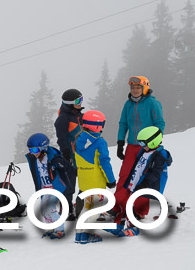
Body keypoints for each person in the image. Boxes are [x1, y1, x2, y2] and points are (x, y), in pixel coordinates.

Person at [108, 126, 172, 237]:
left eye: (143, 143)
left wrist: (145, 184)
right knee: (124, 202)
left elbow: (156, 173)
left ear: (152, 142)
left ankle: (133, 228)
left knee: (131, 205)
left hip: (143, 185)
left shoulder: (160, 155)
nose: (141, 146)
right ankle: (119, 226)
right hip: (133, 183)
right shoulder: (144, 151)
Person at [74, 110, 116, 244]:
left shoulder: (78, 139)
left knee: (87, 207)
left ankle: (79, 235)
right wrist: (111, 180)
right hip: (96, 182)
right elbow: (104, 163)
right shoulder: (100, 143)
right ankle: (86, 235)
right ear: (98, 125)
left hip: (84, 182)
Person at [116, 76, 165, 191]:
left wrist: (153, 142)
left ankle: (139, 207)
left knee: (142, 176)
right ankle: (118, 205)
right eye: (133, 87)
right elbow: (123, 124)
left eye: (138, 87)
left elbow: (160, 123)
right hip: (131, 146)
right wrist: (120, 143)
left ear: (145, 88)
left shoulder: (153, 103)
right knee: (125, 175)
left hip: (147, 147)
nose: (135, 90)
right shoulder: (128, 104)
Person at [24, 133, 75, 239]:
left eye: (34, 150)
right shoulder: (34, 160)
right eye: (30, 150)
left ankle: (60, 229)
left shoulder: (53, 158)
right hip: (44, 188)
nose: (32, 153)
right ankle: (51, 228)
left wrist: (61, 165)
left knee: (49, 209)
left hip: (54, 188)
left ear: (43, 147)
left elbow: (68, 168)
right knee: (44, 210)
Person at [54, 88, 85, 219]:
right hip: (70, 156)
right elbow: (61, 138)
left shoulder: (79, 115)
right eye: (78, 100)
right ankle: (67, 209)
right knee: (69, 183)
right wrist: (66, 153)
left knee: (84, 181)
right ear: (69, 102)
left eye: (81, 99)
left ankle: (80, 205)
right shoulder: (63, 118)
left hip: (81, 155)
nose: (81, 102)